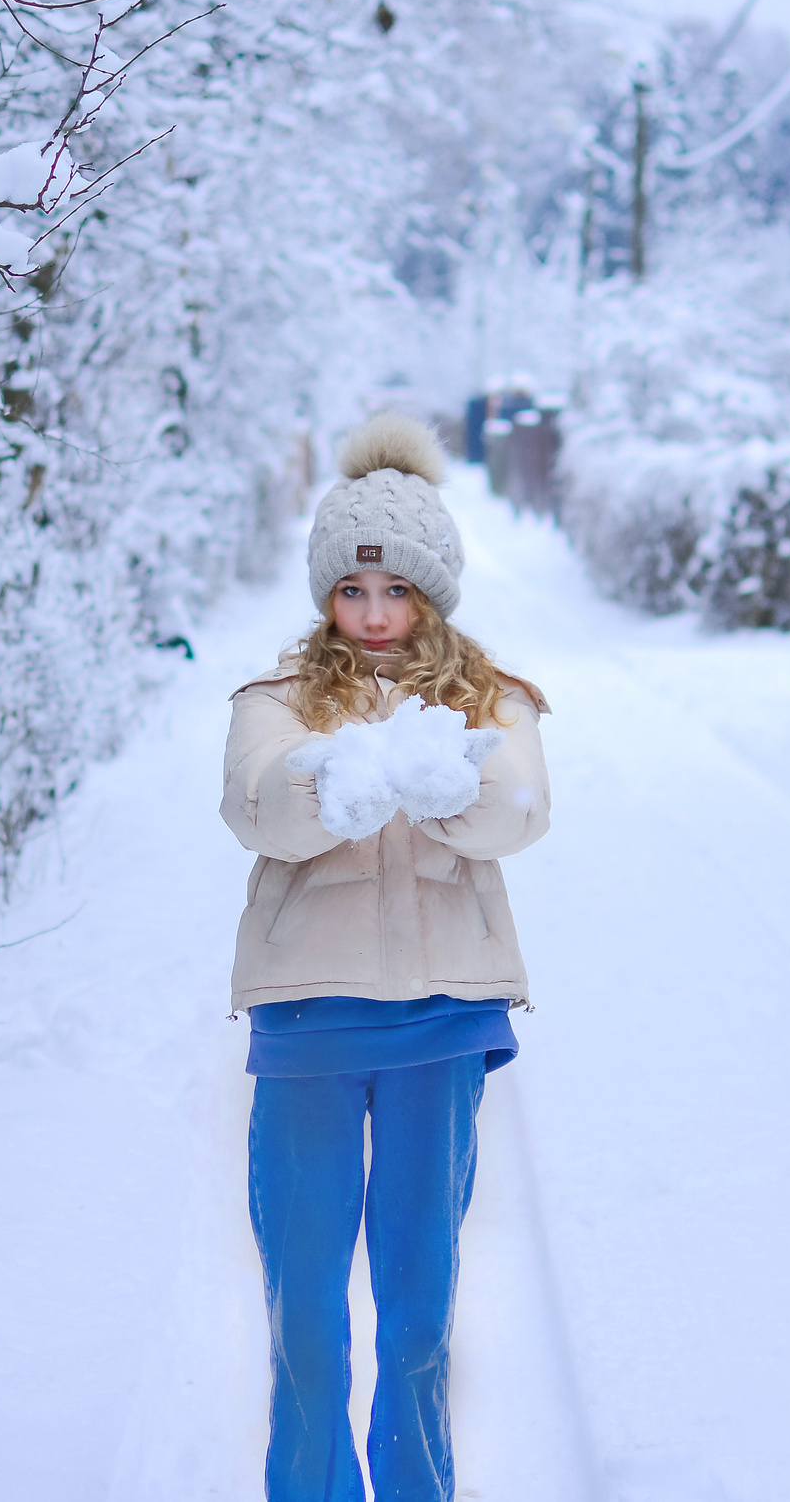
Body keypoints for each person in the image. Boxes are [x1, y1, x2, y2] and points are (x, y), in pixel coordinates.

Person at [221, 412, 553, 1502]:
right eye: (353, 591)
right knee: (305, 1313)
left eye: (396, 591)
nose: (372, 615)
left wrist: (451, 783)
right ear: (326, 594)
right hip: (310, 1028)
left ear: (431, 593)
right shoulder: (273, 706)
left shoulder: (490, 701)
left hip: (439, 1027)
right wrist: (340, 778)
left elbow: (518, 811)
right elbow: (258, 809)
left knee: (418, 1309)